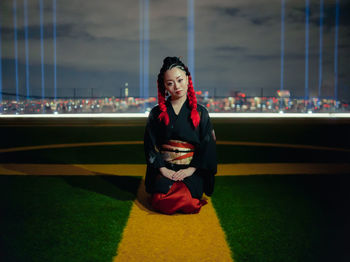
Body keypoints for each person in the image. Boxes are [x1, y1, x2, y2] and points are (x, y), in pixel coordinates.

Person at [144, 56, 217, 215]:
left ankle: (191, 189)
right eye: (170, 83)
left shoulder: (201, 112)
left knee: (188, 201)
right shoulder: (157, 113)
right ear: (164, 86)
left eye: (180, 80)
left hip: (191, 170)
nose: (176, 86)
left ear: (187, 79)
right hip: (166, 168)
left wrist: (191, 169)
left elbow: (207, 145)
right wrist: (163, 169)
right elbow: (150, 144)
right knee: (161, 199)